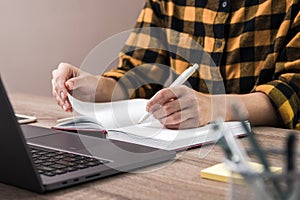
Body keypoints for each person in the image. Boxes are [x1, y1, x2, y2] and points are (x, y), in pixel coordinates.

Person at [52, 0, 300, 130]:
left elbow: (294, 91)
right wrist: (95, 86)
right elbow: (138, 72)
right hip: (182, 157)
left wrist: (212, 107)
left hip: (268, 162)